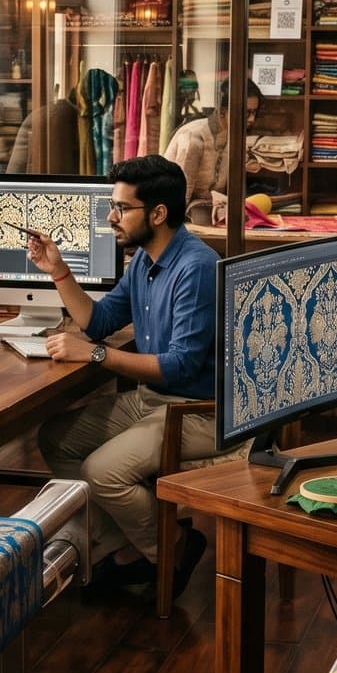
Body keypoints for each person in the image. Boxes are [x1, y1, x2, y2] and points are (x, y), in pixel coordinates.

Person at [23, 155, 219, 595]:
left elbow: (181, 365)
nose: (111, 217)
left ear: (158, 214)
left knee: (102, 471)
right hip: (155, 399)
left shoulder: (196, 267)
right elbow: (99, 321)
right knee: (56, 439)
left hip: (199, 410)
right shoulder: (144, 260)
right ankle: (126, 543)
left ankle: (172, 546)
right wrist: (58, 270)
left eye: (121, 208)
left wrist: (94, 356)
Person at [163, 77, 267, 224]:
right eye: (246, 113)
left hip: (211, 212)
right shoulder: (194, 137)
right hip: (182, 216)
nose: (251, 120)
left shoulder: (235, 138)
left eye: (254, 113)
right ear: (222, 110)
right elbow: (179, 195)